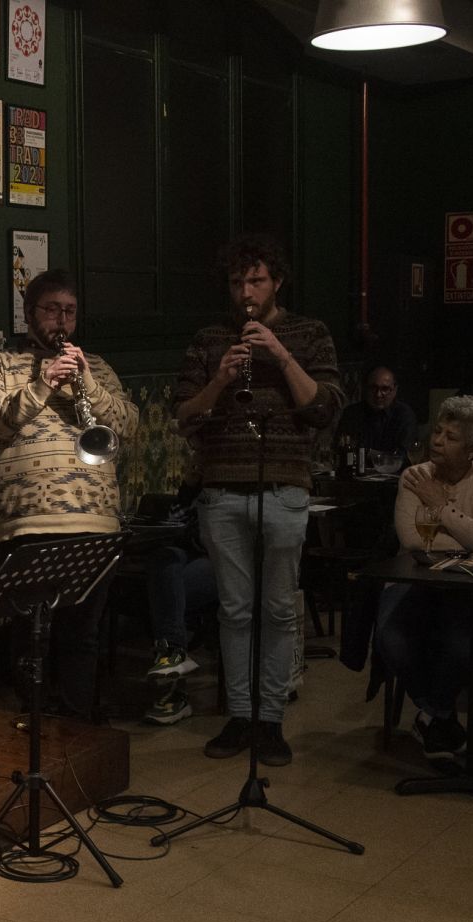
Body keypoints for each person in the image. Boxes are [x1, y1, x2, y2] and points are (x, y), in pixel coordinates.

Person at [174, 234, 344, 766]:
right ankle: (241, 715)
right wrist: (219, 380)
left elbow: (325, 410)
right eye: (236, 282)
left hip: (284, 488)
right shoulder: (209, 339)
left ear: (277, 282)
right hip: (222, 490)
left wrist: (281, 355)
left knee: (278, 610)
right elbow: (184, 417)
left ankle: (271, 719)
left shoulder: (310, 333)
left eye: (256, 281)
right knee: (234, 611)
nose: (245, 292)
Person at [0, 269, 138, 721]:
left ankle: (77, 730)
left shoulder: (96, 366)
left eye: (70, 312)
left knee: (82, 636)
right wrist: (42, 384)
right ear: (29, 314)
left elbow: (127, 425)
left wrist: (89, 384)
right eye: (52, 310)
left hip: (94, 522)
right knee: (30, 634)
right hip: (28, 523)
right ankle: (36, 727)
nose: (62, 320)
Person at [373, 395, 473, 760]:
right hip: (414, 581)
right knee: (391, 637)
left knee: (461, 645)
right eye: (437, 431)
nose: (437, 441)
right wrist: (466, 538)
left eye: (451, 437)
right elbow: (412, 541)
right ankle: (439, 715)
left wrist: (439, 505)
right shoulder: (415, 476)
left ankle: (431, 717)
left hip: (465, 588)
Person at [140, 486, 219, 725]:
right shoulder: (194, 487)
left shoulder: (229, 485)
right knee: (165, 559)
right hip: (185, 556)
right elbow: (174, 523)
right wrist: (189, 489)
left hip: (217, 558)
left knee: (169, 595)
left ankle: (173, 682)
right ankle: (173, 655)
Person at [336, 364, 417, 461]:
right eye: (373, 388)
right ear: (366, 388)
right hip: (356, 469)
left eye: (385, 389)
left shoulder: (404, 415)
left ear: (394, 390)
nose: (378, 394)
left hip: (393, 470)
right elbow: (340, 448)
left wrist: (368, 453)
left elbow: (403, 456)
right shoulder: (352, 413)